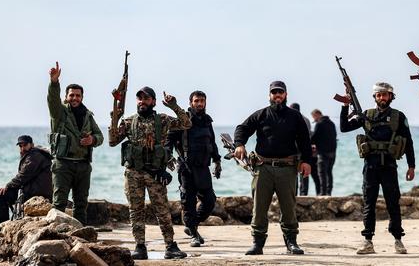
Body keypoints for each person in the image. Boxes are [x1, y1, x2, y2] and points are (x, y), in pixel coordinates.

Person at [109, 86, 191, 259]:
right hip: (133, 173)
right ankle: (140, 246)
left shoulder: (163, 119)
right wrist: (114, 117)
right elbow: (113, 141)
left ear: (153, 101)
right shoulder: (129, 121)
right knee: (136, 210)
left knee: (162, 210)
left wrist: (174, 106)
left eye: (146, 98)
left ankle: (170, 246)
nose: (142, 101)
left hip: (155, 173)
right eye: (139, 98)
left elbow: (187, 123)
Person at [233, 81, 311, 255]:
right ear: (269, 95)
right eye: (274, 92)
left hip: (287, 168)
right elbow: (242, 129)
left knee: (289, 208)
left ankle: (291, 242)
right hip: (263, 168)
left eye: (280, 92)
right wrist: (239, 144)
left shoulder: (295, 116)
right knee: (259, 208)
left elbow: (305, 141)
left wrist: (307, 161)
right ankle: (258, 244)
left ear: (286, 95)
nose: (277, 95)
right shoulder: (261, 115)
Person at [340, 82, 415, 255]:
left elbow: (408, 142)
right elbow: (344, 128)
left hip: (389, 165)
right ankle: (368, 241)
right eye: (379, 95)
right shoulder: (366, 115)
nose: (382, 98)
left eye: (385, 95)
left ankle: (398, 240)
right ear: (375, 97)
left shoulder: (398, 116)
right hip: (371, 166)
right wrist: (345, 105)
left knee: (393, 203)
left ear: (391, 97)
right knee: (369, 203)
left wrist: (411, 166)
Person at [47, 62, 104, 225]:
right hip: (63, 164)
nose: (74, 98)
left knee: (81, 204)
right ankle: (56, 237)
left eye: (78, 95)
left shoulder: (87, 115)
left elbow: (100, 136)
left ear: (82, 97)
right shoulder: (59, 113)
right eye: (71, 95)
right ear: (66, 97)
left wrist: (92, 140)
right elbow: (52, 100)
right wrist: (54, 83)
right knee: (59, 203)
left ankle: (81, 236)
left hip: (83, 166)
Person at [166, 90, 222, 247]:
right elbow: (169, 140)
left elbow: (212, 143)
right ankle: (194, 235)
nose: (199, 104)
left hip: (203, 167)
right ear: (190, 102)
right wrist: (167, 155)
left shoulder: (207, 121)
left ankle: (192, 226)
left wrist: (217, 161)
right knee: (188, 203)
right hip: (186, 168)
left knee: (210, 201)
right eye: (196, 101)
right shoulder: (182, 120)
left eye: (202, 101)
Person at [0, 135, 53, 223]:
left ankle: (4, 224)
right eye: (20, 146)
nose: (22, 148)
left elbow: (23, 175)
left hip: (37, 192)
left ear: (32, 145)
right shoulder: (34, 154)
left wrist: (7, 185)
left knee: (0, 195)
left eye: (25, 145)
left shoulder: (34, 156)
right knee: (8, 193)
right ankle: (10, 222)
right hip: (36, 189)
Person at [291, 103, 320, 196]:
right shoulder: (306, 120)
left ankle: (294, 193)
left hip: (293, 151)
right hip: (304, 151)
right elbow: (309, 136)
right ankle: (304, 194)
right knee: (304, 173)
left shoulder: (291, 118)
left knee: (292, 174)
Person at [311, 109, 337, 196]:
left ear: (317, 115)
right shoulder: (331, 123)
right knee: (329, 172)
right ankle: (329, 192)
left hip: (323, 152)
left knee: (322, 173)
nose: (314, 120)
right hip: (333, 152)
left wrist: (310, 144)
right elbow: (334, 137)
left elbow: (314, 137)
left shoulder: (319, 124)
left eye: (314, 117)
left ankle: (323, 192)